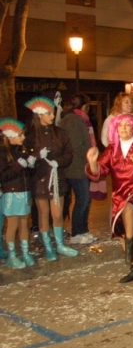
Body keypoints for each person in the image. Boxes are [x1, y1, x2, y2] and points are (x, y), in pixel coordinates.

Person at [86, 114, 133, 283]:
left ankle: (130, 240)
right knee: (119, 231)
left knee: (129, 208)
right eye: (120, 126)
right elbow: (100, 171)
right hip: (119, 194)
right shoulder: (112, 149)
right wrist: (92, 162)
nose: (123, 128)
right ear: (116, 129)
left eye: (127, 125)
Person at [24, 96, 79, 261]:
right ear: (39, 115)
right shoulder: (31, 135)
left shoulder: (60, 133)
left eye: (53, 112)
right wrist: (36, 156)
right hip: (40, 179)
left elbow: (69, 153)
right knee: (43, 214)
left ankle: (60, 244)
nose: (53, 116)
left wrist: (58, 161)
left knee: (57, 213)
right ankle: (48, 247)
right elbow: (25, 157)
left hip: (57, 179)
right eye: (49, 113)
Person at [58, 93, 97, 245]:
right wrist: (89, 156)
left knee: (86, 199)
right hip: (77, 167)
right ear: (84, 106)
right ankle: (77, 232)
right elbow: (76, 145)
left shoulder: (75, 119)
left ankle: (83, 230)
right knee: (83, 198)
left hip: (80, 166)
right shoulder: (74, 120)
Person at [0, 119, 36, 268]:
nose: (23, 137)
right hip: (12, 193)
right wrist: (17, 166)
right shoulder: (3, 153)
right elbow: (3, 175)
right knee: (13, 224)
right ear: (10, 136)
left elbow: (26, 174)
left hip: (24, 192)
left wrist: (31, 166)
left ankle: (25, 253)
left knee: (24, 224)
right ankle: (12, 256)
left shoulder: (21, 151)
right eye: (20, 135)